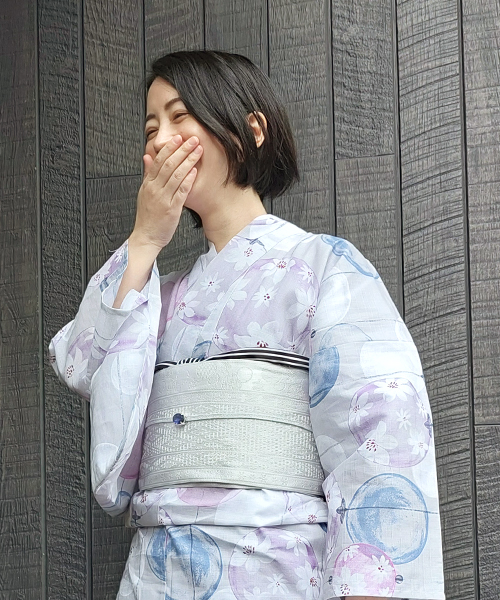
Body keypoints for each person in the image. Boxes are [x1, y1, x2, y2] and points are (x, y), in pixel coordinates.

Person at [49, 50, 446, 600]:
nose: (160, 141)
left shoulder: (324, 267)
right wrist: (145, 239)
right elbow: (83, 365)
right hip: (156, 573)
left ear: (251, 129)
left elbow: (381, 434)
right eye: (150, 129)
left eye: (179, 116)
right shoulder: (157, 298)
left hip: (277, 569)